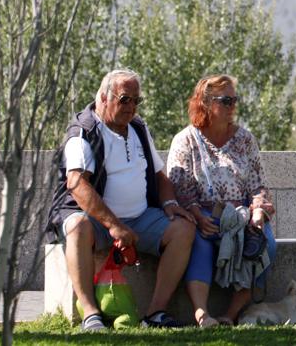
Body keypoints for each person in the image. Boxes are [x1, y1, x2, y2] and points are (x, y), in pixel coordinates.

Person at [46, 69, 197, 331]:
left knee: (183, 229)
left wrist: (171, 204)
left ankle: (156, 313)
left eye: (137, 101)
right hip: (96, 221)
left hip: (141, 216)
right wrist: (114, 225)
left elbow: (160, 175)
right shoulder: (84, 131)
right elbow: (77, 185)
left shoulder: (138, 128)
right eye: (125, 99)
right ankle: (90, 313)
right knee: (77, 227)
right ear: (104, 98)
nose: (132, 107)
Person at [167, 74, 277, 327]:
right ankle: (202, 314)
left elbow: (258, 184)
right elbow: (180, 186)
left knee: (265, 245)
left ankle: (232, 313)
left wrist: (258, 211)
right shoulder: (186, 140)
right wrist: (196, 215)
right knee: (201, 243)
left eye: (234, 100)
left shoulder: (245, 139)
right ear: (205, 102)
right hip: (202, 215)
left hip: (240, 215)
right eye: (226, 100)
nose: (232, 107)